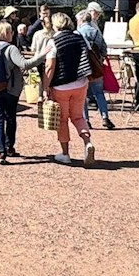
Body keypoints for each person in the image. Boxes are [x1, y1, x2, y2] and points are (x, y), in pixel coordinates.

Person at [42, 12, 97, 166]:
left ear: (56, 25)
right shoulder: (80, 37)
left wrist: (46, 87)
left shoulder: (53, 41)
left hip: (61, 86)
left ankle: (65, 154)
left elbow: (49, 67)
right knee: (78, 117)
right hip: (81, 83)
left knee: (62, 120)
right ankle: (87, 142)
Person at [0, 21, 37, 164]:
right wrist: (43, 54)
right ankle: (9, 146)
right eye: (10, 32)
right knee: (10, 117)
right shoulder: (11, 48)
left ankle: (1, 152)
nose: (13, 34)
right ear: (6, 34)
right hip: (10, 88)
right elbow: (25, 64)